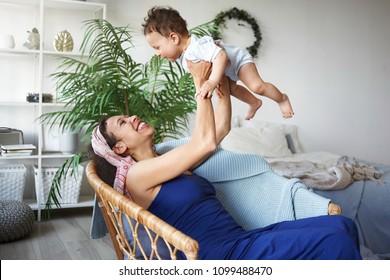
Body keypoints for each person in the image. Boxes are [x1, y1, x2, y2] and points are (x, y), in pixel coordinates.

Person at [91, 60, 361, 260]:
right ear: (121, 148)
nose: (133, 118)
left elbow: (219, 131)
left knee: (343, 224)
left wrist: (219, 87)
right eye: (123, 123)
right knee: (335, 239)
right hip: (219, 256)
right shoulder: (138, 177)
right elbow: (204, 142)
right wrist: (199, 83)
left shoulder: (169, 158)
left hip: (239, 238)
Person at [142, 6, 294, 120]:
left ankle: (282, 98)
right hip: (227, 71)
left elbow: (221, 56)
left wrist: (212, 82)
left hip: (238, 60)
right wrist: (214, 84)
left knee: (257, 86)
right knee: (233, 90)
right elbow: (207, 70)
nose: (157, 53)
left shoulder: (196, 46)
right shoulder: (183, 58)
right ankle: (254, 103)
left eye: (157, 47)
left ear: (174, 38)